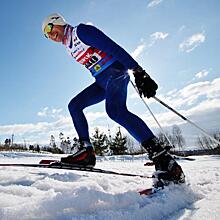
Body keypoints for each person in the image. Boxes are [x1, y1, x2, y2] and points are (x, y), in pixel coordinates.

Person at [42, 13, 185, 187]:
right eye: (46, 35)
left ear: (59, 22)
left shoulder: (81, 32)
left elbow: (113, 48)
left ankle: (165, 161)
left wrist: (138, 71)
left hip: (115, 72)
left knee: (116, 111)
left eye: (49, 28)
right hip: (102, 81)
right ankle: (86, 152)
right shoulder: (69, 47)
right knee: (75, 105)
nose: (50, 35)